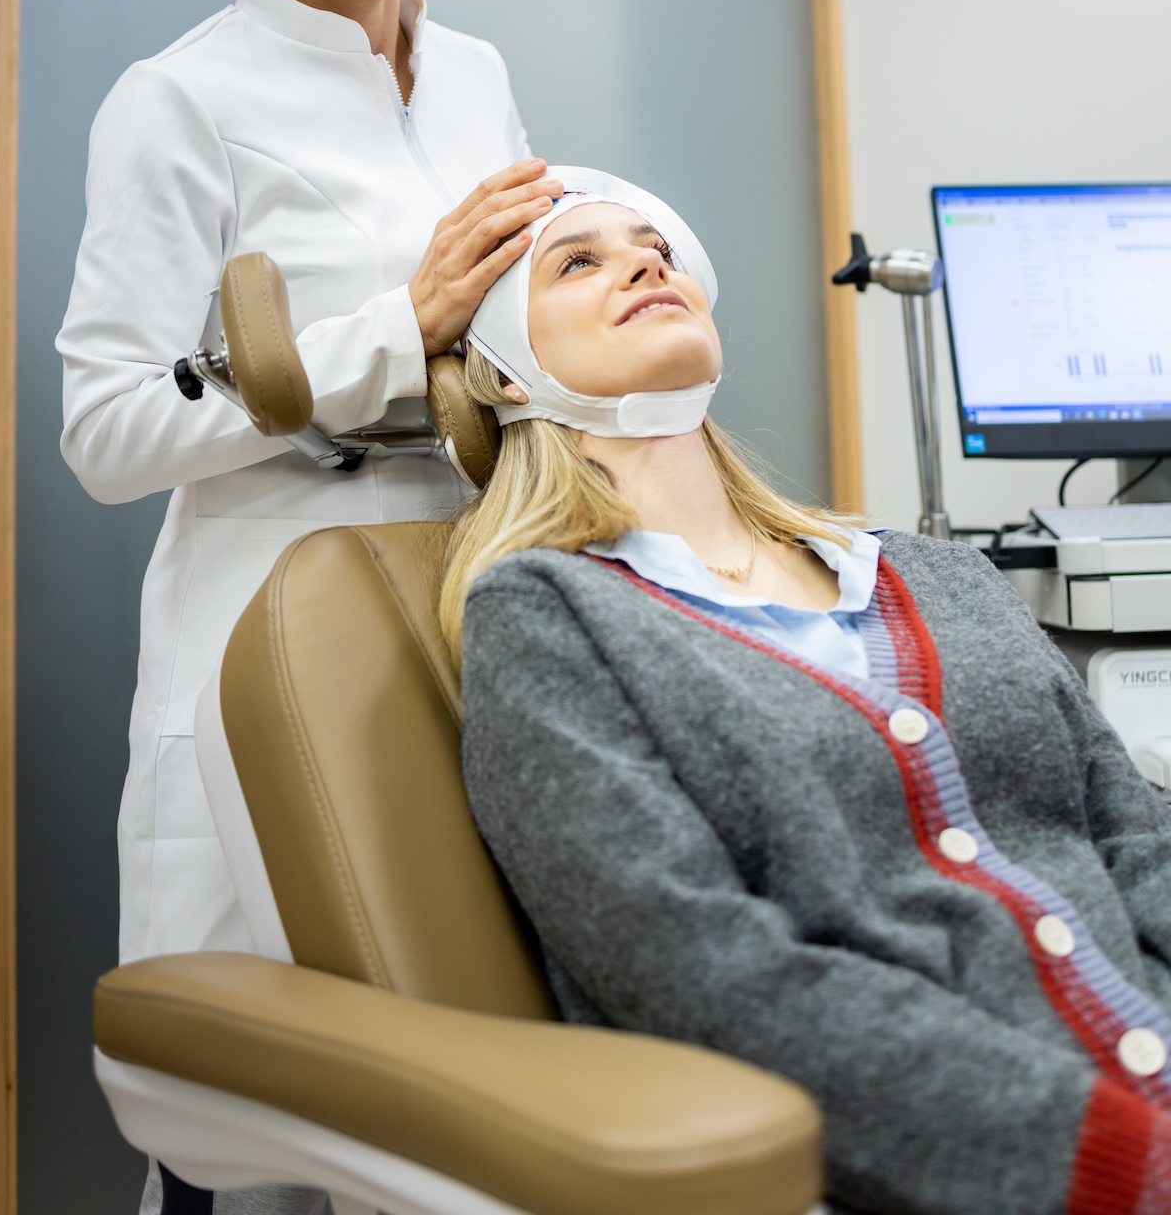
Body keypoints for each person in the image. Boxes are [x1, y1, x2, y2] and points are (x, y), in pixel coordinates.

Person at [446, 168, 1171, 1215]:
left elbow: (1135, 848)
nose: (646, 262)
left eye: (654, 246)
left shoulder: (935, 575)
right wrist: (1113, 1159)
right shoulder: (548, 616)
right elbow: (700, 974)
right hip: (1005, 1161)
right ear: (508, 376)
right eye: (580, 262)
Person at [58, 0, 559, 993]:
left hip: (467, 623)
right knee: (258, 1128)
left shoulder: (476, 76)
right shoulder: (179, 103)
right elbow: (107, 430)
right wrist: (397, 330)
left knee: (453, 1091)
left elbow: (497, 339)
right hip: (269, 646)